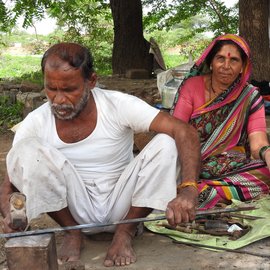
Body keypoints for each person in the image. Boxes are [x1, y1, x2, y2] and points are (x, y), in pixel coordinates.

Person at [0, 42, 201, 267]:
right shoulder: (37, 121)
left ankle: (125, 233)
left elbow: (185, 131)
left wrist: (189, 190)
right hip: (74, 210)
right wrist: (10, 214)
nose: (58, 100)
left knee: (166, 142)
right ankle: (72, 234)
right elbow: (12, 178)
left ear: (92, 81)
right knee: (26, 150)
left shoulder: (117, 105)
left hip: (124, 205)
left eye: (69, 90)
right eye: (51, 89)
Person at [171, 33, 270, 210]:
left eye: (234, 61)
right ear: (211, 62)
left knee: (266, 173)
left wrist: (267, 153)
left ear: (242, 66)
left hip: (227, 166)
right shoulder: (192, 86)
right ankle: (203, 190)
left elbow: (258, 144)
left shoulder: (249, 96)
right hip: (188, 162)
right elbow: (176, 129)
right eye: (220, 58)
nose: (226, 66)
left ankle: (205, 193)